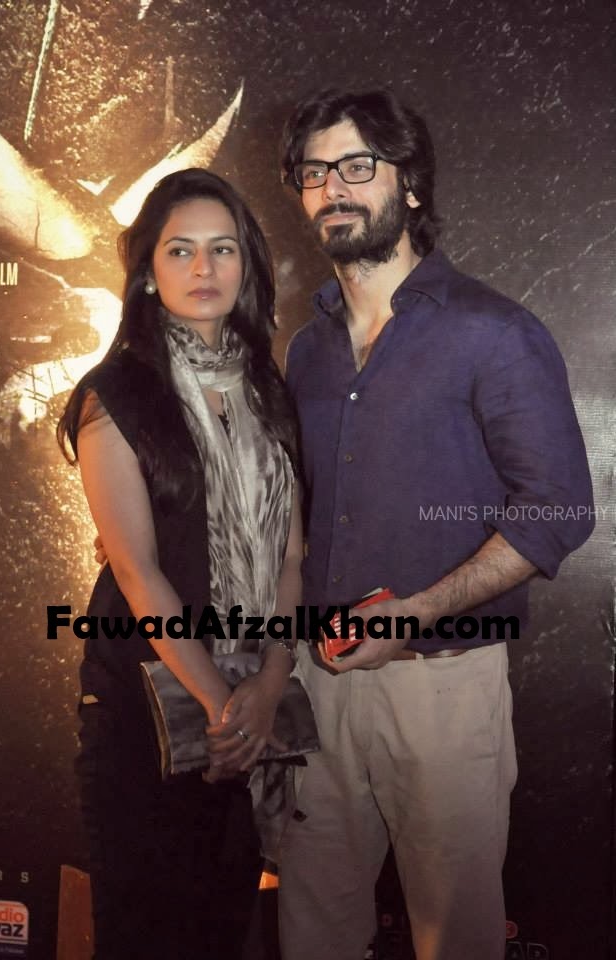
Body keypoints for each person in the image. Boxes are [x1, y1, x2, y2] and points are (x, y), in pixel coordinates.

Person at [277, 88, 594, 960]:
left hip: (444, 688)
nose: (332, 188)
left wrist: (417, 612)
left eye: (356, 165)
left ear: (409, 183)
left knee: (454, 939)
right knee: (312, 932)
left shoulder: (494, 333)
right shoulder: (306, 348)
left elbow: (559, 508)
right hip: (318, 682)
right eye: (313, 172)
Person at [57, 168, 302, 960]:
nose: (204, 268)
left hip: (249, 711)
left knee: (220, 932)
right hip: (146, 711)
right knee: (144, 937)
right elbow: (136, 571)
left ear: (246, 265)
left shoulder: (268, 391)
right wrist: (225, 706)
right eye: (181, 250)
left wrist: (269, 683)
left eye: (222, 249)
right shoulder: (117, 395)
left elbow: (291, 554)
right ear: (147, 272)